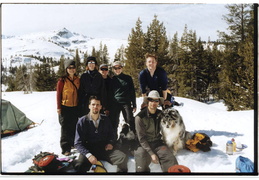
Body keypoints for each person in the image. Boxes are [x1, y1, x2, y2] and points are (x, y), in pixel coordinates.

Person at [74, 96, 128, 173]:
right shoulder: (82, 121)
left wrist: (110, 143)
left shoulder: (105, 119)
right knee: (79, 165)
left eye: (97, 104)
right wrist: (88, 155)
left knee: (122, 158)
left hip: (103, 148)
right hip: (88, 149)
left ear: (100, 107)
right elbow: (78, 143)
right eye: (93, 104)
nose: (95, 106)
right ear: (89, 106)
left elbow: (111, 135)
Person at [134, 90, 178, 172]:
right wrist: (152, 154)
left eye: (156, 100)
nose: (153, 103)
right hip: (142, 145)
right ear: (147, 101)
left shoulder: (161, 114)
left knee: (170, 158)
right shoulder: (139, 117)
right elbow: (141, 139)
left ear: (158, 102)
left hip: (157, 143)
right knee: (141, 160)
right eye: (151, 100)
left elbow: (169, 127)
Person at [56, 59, 80, 156]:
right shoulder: (62, 80)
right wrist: (59, 107)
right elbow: (58, 94)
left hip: (75, 106)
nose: (71, 69)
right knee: (65, 127)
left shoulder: (78, 79)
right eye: (69, 68)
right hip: (65, 106)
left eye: (73, 67)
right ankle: (65, 148)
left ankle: (73, 143)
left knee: (74, 126)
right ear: (66, 69)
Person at [109, 61, 137, 136]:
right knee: (114, 122)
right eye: (115, 68)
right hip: (115, 102)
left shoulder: (128, 78)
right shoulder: (111, 79)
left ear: (122, 68)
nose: (117, 70)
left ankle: (133, 137)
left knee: (130, 120)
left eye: (119, 68)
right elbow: (110, 93)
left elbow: (132, 91)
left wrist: (134, 104)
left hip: (126, 102)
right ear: (113, 69)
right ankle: (113, 139)